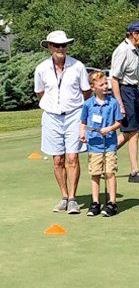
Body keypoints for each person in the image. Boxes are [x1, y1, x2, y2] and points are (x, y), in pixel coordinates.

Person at [34, 30, 91, 214]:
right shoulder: (41, 68)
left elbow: (86, 92)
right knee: (58, 159)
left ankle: (73, 198)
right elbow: (40, 92)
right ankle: (64, 196)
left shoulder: (78, 66)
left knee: (72, 158)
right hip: (51, 116)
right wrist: (51, 105)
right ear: (49, 47)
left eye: (64, 45)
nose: (61, 49)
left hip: (74, 114)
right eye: (57, 45)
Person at [110, 20, 139, 183]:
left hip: (133, 91)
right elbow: (114, 79)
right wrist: (120, 103)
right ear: (134, 34)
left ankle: (102, 156)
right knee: (133, 132)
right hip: (125, 91)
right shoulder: (123, 50)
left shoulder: (136, 51)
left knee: (129, 132)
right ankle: (134, 172)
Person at [79, 72, 122, 217]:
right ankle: (95, 202)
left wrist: (109, 129)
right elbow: (83, 122)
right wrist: (82, 133)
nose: (105, 86)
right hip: (94, 145)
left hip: (109, 144)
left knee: (110, 172)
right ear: (93, 87)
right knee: (95, 173)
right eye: (102, 84)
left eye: (106, 84)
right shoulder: (88, 104)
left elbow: (118, 122)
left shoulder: (113, 103)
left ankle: (112, 203)